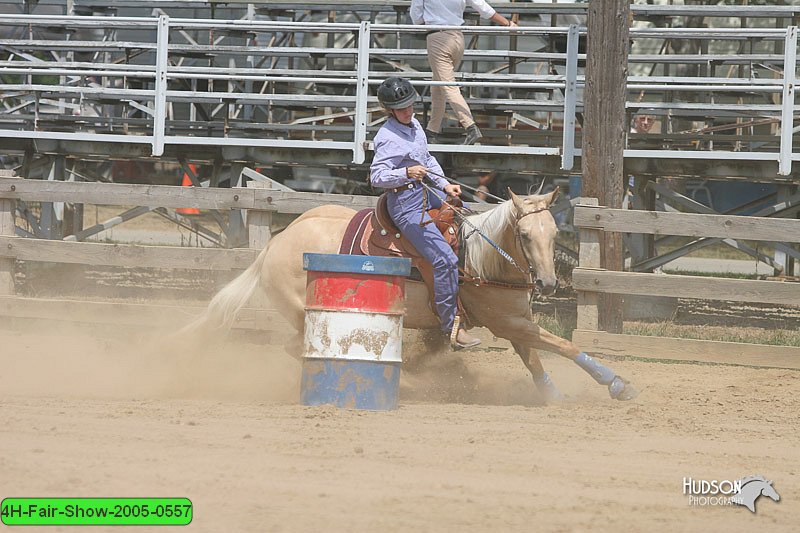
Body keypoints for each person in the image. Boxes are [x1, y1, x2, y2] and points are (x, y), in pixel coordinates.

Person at [369, 76, 481, 350]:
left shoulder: (415, 126)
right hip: (404, 203)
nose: (409, 111)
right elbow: (376, 176)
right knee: (443, 258)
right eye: (402, 108)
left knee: (467, 224)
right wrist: (406, 172)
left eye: (410, 105)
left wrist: (445, 185)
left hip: (425, 191)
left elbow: (427, 160)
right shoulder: (387, 137)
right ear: (390, 110)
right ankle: (451, 326)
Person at [410, 0, 515, 145]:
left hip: (437, 37)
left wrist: (431, 18)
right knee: (438, 86)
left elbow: (416, 17)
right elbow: (483, 8)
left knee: (448, 87)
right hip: (457, 37)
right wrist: (507, 23)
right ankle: (431, 130)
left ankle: (470, 126)